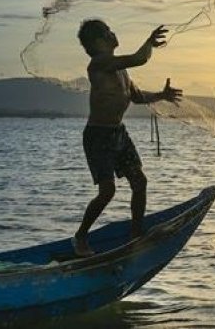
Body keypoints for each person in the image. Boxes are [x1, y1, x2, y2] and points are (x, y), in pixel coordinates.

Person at [71, 19, 182, 257]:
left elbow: (137, 97)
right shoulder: (99, 64)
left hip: (118, 133)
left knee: (139, 182)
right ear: (98, 41)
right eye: (109, 31)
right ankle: (80, 237)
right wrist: (150, 42)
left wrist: (161, 95)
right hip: (98, 135)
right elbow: (139, 58)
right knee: (107, 191)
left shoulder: (120, 69)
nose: (114, 33)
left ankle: (136, 234)